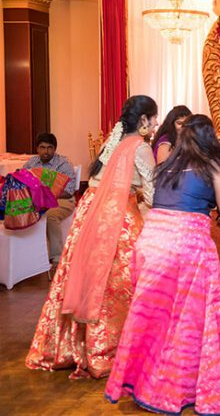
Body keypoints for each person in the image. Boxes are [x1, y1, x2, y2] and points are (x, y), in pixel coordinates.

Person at [105, 115, 220, 415]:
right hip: (186, 246)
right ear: (210, 139)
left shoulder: (165, 167)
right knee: (192, 322)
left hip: (151, 244)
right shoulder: (212, 168)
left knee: (154, 319)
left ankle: (145, 384)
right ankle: (177, 389)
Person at [26, 95, 158, 379]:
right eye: (154, 118)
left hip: (89, 211)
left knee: (81, 273)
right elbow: (152, 194)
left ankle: (74, 347)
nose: (156, 123)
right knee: (119, 279)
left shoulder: (113, 144)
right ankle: (110, 345)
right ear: (144, 120)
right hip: (118, 213)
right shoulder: (141, 148)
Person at [23, 132, 77, 263]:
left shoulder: (64, 164)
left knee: (51, 215)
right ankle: (27, 255)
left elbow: (69, 191)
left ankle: (57, 257)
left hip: (62, 200)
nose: (46, 151)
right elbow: (23, 181)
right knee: (17, 211)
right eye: (42, 147)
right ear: (37, 149)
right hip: (37, 200)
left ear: (54, 149)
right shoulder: (32, 163)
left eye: (49, 147)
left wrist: (47, 195)